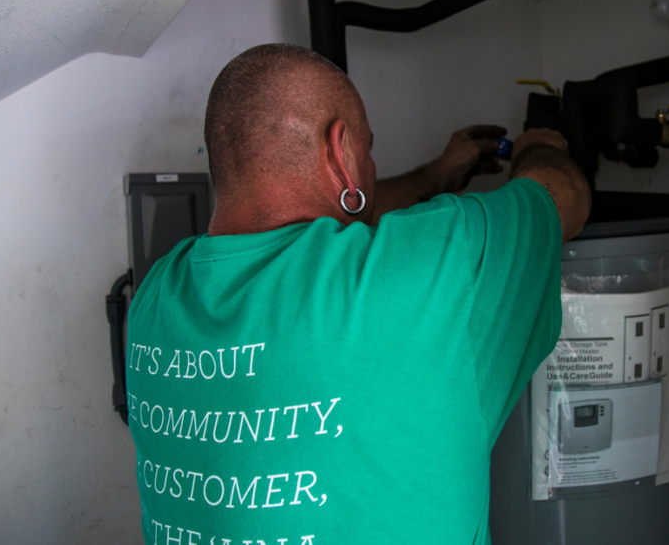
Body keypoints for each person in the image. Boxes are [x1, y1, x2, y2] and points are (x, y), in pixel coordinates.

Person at [125, 43, 590, 545]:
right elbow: (562, 198)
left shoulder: (154, 295)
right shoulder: (433, 266)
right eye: (368, 149)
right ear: (340, 150)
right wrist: (538, 147)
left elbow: (335, 226)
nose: (370, 165)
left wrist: (435, 176)